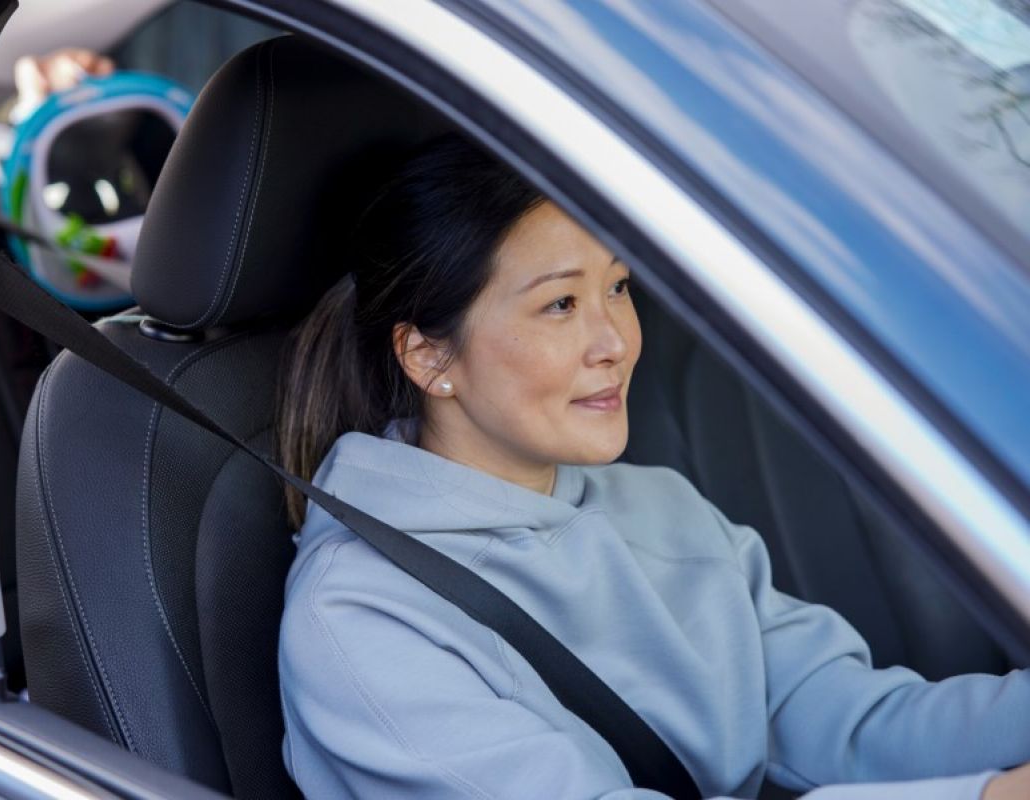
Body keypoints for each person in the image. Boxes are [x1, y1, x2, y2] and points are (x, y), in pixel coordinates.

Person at [274, 134, 1030, 799]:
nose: (615, 342)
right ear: (428, 355)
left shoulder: (659, 508)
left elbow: (846, 721)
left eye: (616, 288)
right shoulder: (362, 618)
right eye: (560, 305)